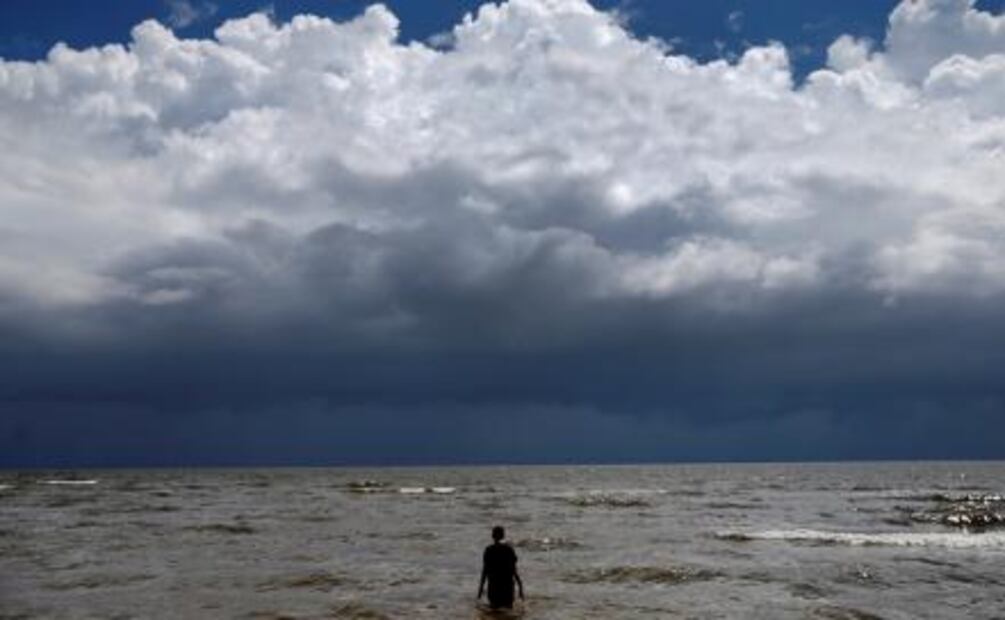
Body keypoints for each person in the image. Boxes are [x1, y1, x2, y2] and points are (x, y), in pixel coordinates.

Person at [477, 525, 524, 609]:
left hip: (494, 586)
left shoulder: (489, 550)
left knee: (493, 613)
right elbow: (513, 570)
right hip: (507, 586)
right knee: (509, 614)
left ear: (492, 536)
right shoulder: (508, 550)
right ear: (503, 536)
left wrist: (480, 591)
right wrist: (520, 586)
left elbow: (485, 571)